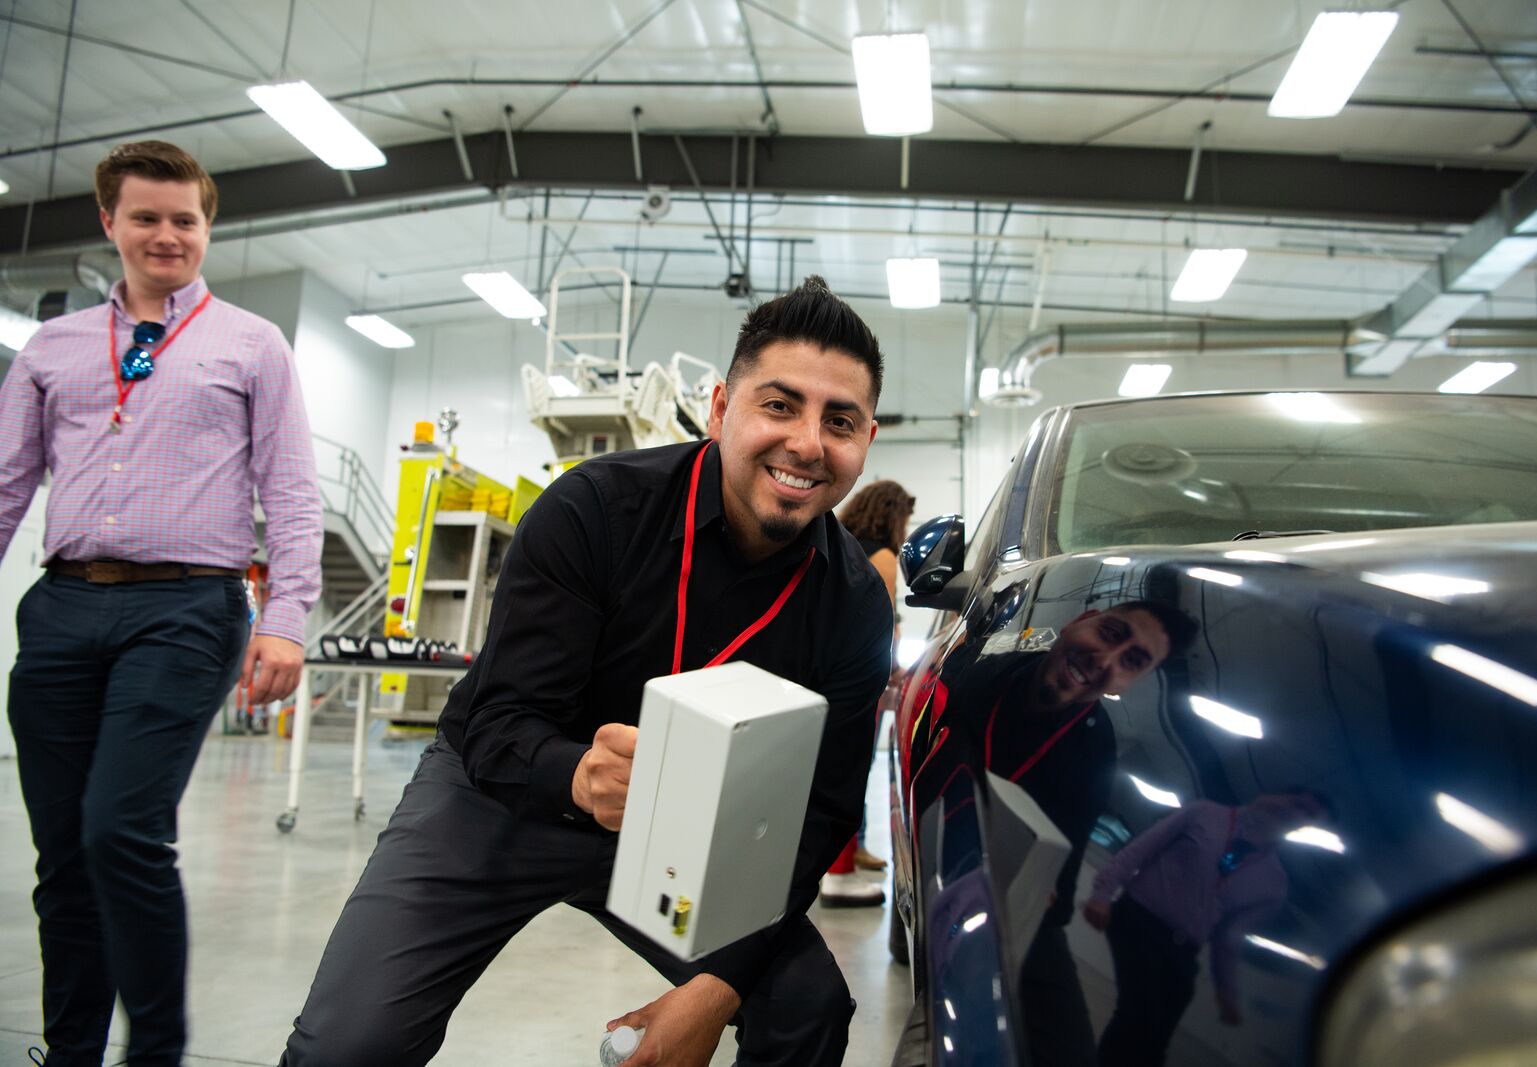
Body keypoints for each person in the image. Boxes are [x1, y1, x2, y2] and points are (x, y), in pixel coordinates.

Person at [278, 276, 894, 1067]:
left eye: (838, 421)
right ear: (719, 408)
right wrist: (578, 775)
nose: (808, 442)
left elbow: (823, 814)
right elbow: (497, 726)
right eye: (779, 405)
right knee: (348, 1046)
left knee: (807, 1003)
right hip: (496, 797)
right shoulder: (595, 512)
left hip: (682, 833)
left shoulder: (852, 605)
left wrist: (713, 991)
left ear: (866, 437)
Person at [0, 140, 323, 1067]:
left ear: (207, 227)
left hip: (186, 611)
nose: (168, 235)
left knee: (120, 829)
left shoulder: (250, 343)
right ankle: (72, 1052)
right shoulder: (53, 349)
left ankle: (156, 1055)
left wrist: (286, 620)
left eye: (186, 219)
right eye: (146, 217)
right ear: (110, 224)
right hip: (62, 608)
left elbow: (292, 492)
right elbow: (8, 483)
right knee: (64, 856)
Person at [905, 599, 1196, 1064]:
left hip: (1012, 900)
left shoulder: (1096, 751)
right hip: (943, 856)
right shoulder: (976, 671)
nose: (1104, 662)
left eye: (1132, 662)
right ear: (1081, 620)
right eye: (1111, 634)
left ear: (1132, 683)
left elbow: (1057, 887)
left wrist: (1038, 888)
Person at [1084, 789, 1334, 1066]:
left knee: (1158, 1033)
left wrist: (1227, 993)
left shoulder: (1274, 884)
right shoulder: (1204, 814)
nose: (1296, 814)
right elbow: (1140, 850)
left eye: (1308, 816)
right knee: (1138, 1012)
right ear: (1272, 796)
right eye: (1297, 804)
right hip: (1139, 919)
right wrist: (1102, 894)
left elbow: (1229, 939)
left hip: (1181, 949)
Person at [821, 479, 914, 905]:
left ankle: (846, 855)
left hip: (823, 668)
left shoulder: (841, 542)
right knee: (854, 768)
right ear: (894, 513)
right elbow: (882, 623)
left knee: (829, 768)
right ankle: (839, 874)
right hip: (860, 674)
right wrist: (894, 671)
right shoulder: (885, 557)